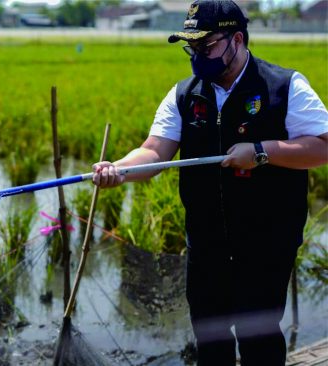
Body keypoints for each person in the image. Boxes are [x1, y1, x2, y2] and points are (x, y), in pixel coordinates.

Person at [92, 1, 328, 365]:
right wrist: (119, 169)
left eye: (207, 46)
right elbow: (154, 152)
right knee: (210, 336)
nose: (198, 56)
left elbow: (322, 147)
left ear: (237, 39)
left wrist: (262, 151)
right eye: (192, 48)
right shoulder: (185, 95)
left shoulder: (284, 87)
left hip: (267, 240)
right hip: (206, 242)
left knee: (258, 338)